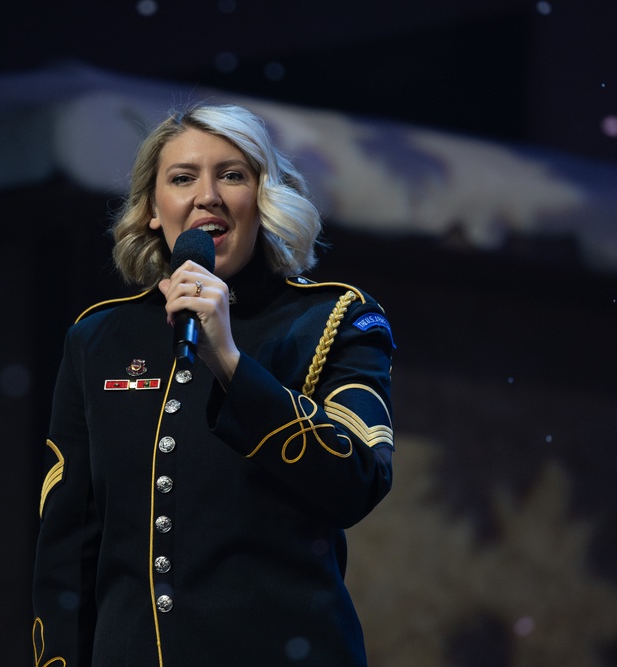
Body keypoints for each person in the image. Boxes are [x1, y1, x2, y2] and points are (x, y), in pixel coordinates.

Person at [32, 104, 395, 667]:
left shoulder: (334, 319)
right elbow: (66, 551)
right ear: (154, 210)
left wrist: (228, 360)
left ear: (263, 198)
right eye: (182, 179)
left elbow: (357, 481)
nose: (208, 196)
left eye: (233, 175)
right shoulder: (97, 338)